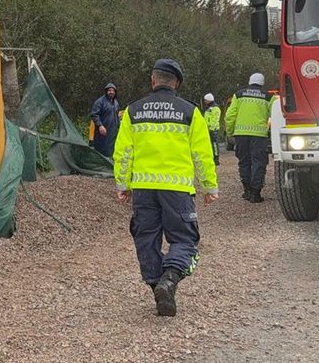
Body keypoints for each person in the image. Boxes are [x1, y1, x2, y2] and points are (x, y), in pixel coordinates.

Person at [113, 59, 219, 317]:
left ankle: (157, 288)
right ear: (177, 83)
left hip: (144, 189)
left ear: (153, 80)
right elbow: (202, 154)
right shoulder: (190, 111)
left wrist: (122, 184)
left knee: (146, 239)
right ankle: (169, 280)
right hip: (177, 190)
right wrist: (209, 187)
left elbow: (123, 152)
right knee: (185, 239)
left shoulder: (133, 111)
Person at [225, 73, 277, 203]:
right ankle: (255, 193)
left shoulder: (239, 95)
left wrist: (230, 131)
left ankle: (247, 190)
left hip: (241, 135)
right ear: (262, 83)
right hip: (259, 136)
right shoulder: (269, 97)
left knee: (244, 162)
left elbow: (230, 116)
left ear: (249, 81)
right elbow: (276, 116)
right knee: (259, 163)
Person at [90, 83, 120, 157]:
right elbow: (94, 115)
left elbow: (117, 116)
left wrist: (119, 127)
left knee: (111, 151)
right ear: (106, 91)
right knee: (101, 152)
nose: (111, 92)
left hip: (113, 132)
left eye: (113, 90)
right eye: (109, 90)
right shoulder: (100, 102)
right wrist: (100, 125)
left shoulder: (116, 102)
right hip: (102, 132)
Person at [203, 93, 221, 166]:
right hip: (208, 129)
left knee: (214, 144)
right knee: (209, 144)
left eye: (205, 100)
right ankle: (211, 157)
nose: (205, 101)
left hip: (213, 130)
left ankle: (216, 159)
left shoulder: (215, 108)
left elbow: (215, 119)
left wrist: (211, 128)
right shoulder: (208, 108)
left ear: (209, 100)